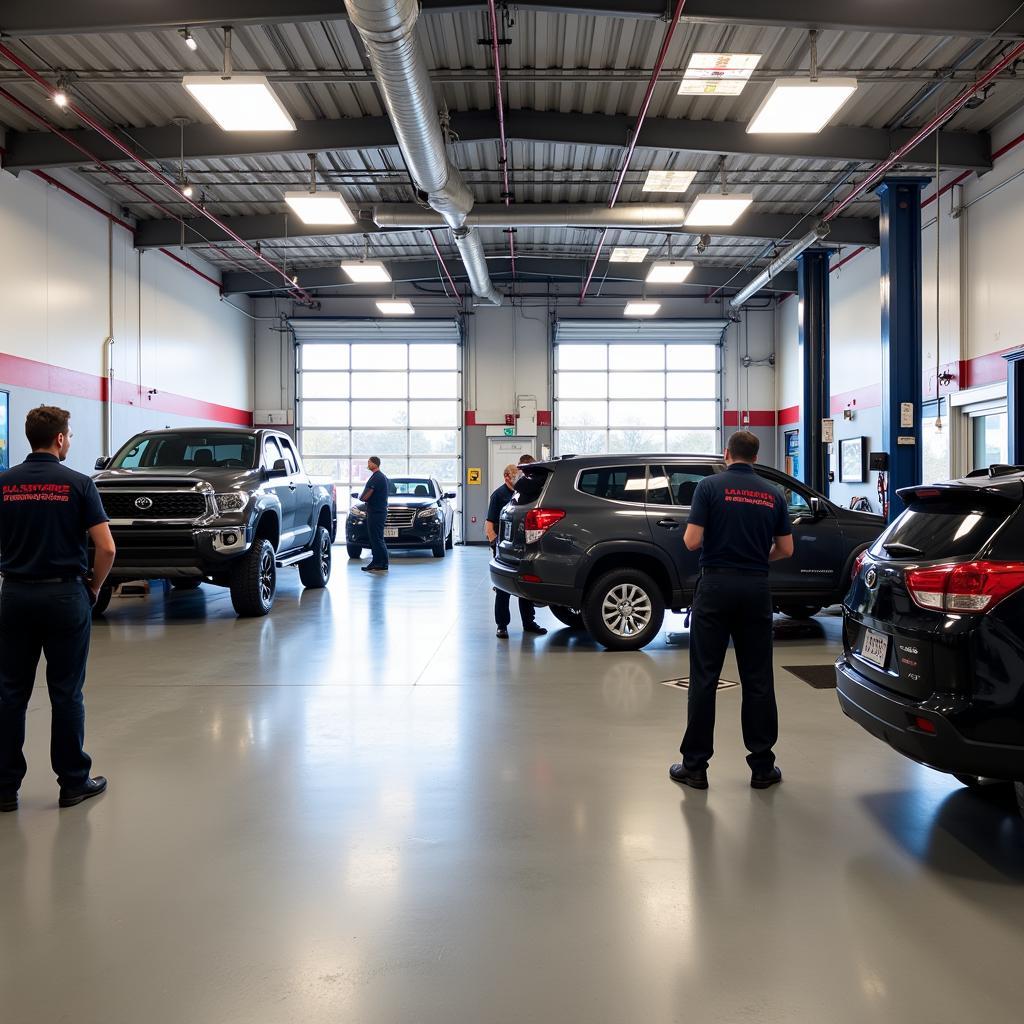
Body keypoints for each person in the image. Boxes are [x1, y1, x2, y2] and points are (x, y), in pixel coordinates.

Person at [0, 406, 116, 811]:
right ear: (61, 439)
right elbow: (106, 547)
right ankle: (73, 782)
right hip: (66, 596)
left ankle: (3, 788)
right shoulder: (79, 484)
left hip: (14, 595)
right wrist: (95, 586)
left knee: (10, 692)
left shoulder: (5, 483)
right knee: (66, 692)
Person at [669, 430, 794, 791]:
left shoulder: (709, 488)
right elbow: (786, 549)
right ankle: (762, 767)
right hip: (756, 588)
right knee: (757, 678)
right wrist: (757, 556)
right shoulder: (773, 494)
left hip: (716, 587)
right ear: (755, 457)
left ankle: (694, 767)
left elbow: (692, 541)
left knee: (704, 677)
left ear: (727, 454)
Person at [486, 461, 547, 640]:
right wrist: (495, 546)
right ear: (507, 477)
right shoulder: (498, 495)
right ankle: (502, 626)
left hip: (522, 547)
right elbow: (489, 525)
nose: (520, 480)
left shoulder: (523, 494)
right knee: (503, 588)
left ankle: (529, 623)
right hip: (503, 548)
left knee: (525, 586)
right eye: (516, 477)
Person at [359, 455, 390, 573]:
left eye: (369, 462)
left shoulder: (377, 477)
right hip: (378, 511)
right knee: (377, 538)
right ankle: (378, 562)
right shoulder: (381, 477)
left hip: (376, 512)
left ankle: (380, 563)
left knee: (376, 538)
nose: (368, 464)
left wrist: (361, 498)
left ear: (375, 464)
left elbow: (368, 494)